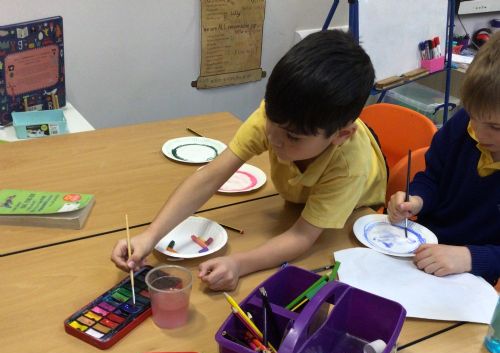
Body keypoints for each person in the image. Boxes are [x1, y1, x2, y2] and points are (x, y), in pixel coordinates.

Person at [111, 30, 387, 291]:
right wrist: (150, 235)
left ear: (341, 135)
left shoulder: (349, 166)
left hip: (352, 220)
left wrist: (239, 263)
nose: (274, 139)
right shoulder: (280, 119)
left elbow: (302, 236)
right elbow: (209, 177)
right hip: (301, 203)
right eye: (271, 121)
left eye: (292, 137)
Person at [387, 30, 500, 284]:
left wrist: (470, 257)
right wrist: (417, 199)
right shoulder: (462, 125)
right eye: (474, 116)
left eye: (496, 127)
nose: (479, 133)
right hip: (423, 249)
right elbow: (433, 178)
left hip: (471, 276)